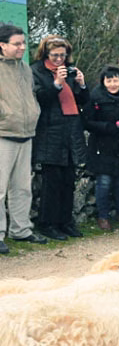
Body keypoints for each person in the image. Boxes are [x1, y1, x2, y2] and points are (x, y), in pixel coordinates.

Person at [31, 35, 89, 240]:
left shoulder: (69, 70)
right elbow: (40, 99)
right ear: (46, 53)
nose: (58, 59)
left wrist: (81, 84)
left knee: (68, 180)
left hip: (71, 129)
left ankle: (66, 222)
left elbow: (83, 101)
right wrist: (56, 83)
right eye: (55, 55)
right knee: (51, 182)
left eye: (62, 55)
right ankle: (48, 224)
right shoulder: (36, 71)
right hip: (50, 130)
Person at [0, 24, 46, 253]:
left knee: (22, 187)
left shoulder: (26, 69)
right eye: (16, 43)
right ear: (2, 45)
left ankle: (20, 230)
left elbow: (31, 96)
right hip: (3, 134)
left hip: (26, 134)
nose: (22, 47)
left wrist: (34, 112)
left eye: (23, 43)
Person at [83, 65, 119, 231]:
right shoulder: (95, 97)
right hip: (102, 146)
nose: (112, 84)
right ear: (103, 82)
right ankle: (103, 216)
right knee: (103, 183)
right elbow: (87, 121)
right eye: (109, 80)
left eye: (115, 80)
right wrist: (106, 127)